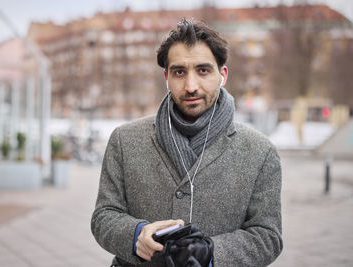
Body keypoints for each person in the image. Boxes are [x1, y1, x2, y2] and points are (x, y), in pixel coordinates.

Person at [91, 18, 282, 267]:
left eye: (203, 70)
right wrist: (137, 235)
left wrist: (212, 253)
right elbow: (103, 216)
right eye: (179, 72)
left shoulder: (261, 151)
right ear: (166, 77)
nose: (191, 86)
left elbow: (268, 236)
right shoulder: (124, 140)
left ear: (222, 75)